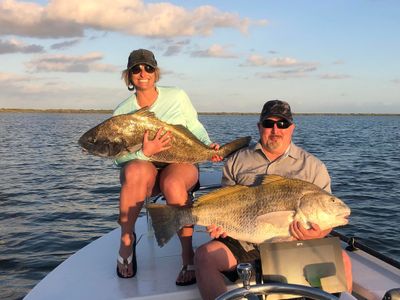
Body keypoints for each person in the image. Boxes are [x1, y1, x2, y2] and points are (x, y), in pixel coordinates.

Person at [194, 100, 353, 300]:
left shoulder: (313, 166)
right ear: (259, 127)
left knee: (343, 260)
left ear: (292, 128)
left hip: (295, 242)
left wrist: (315, 235)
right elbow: (226, 200)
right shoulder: (237, 160)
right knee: (204, 256)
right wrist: (219, 226)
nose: (276, 129)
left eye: (283, 124)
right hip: (245, 239)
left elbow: (327, 221)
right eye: (269, 123)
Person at [114, 48, 221, 285]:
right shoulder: (122, 111)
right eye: (136, 69)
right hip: (146, 170)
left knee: (173, 183)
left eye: (148, 68)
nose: (143, 73)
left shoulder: (177, 95)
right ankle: (127, 241)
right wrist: (145, 153)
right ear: (129, 76)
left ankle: (187, 253)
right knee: (133, 169)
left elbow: (194, 126)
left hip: (180, 162)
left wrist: (207, 147)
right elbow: (117, 158)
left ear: (156, 72)